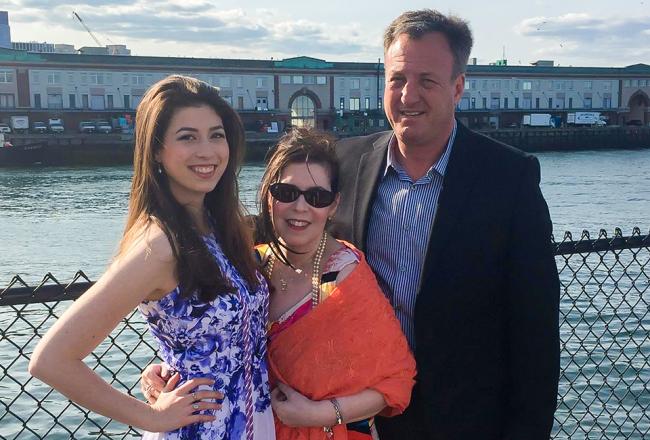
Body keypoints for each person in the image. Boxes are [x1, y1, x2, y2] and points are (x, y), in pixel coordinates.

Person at [330, 9, 561, 440]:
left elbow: (535, 335)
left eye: (427, 81)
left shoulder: (509, 178)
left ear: (458, 88)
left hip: (465, 421)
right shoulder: (344, 163)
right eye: (397, 79)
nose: (407, 95)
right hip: (360, 418)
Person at [29, 75, 274, 439]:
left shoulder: (218, 226)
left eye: (216, 135)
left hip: (252, 419)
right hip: (200, 430)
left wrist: (173, 364)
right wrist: (151, 417)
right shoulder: (160, 245)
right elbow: (51, 360)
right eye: (187, 137)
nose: (207, 151)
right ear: (157, 150)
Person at [143, 127, 416, 440]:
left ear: (333, 206)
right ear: (268, 196)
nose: (301, 207)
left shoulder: (345, 278)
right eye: (286, 193)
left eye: (317, 197)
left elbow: (396, 380)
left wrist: (319, 414)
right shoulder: (246, 265)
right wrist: (166, 371)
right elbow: (212, 343)